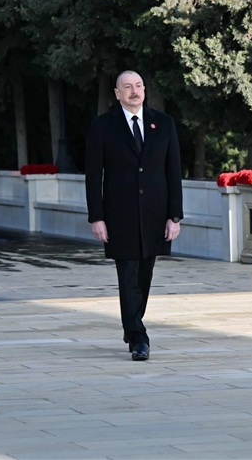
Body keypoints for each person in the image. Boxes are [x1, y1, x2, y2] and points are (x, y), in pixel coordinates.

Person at [85, 70, 183, 362]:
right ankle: (139, 337)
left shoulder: (163, 124)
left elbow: (173, 171)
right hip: (119, 216)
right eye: (127, 87)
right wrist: (96, 217)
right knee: (127, 275)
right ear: (117, 93)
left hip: (155, 215)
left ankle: (132, 327)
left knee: (144, 276)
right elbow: (93, 175)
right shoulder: (103, 126)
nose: (134, 91)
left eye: (139, 85)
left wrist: (174, 216)